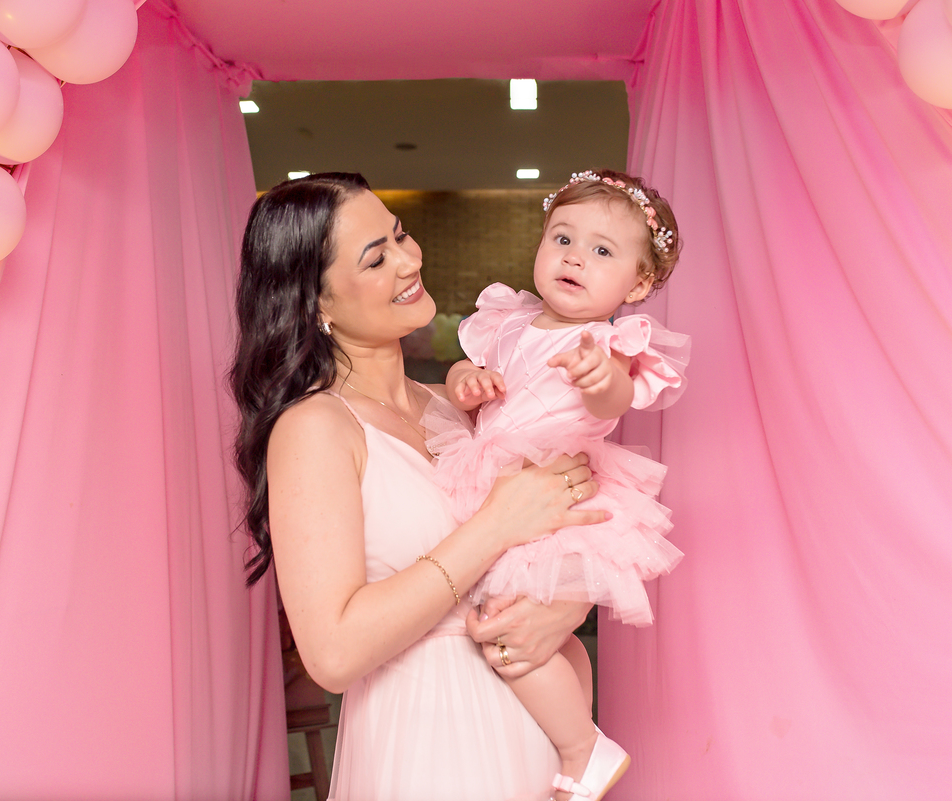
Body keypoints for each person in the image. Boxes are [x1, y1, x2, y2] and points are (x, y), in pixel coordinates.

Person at [229, 172, 608, 801]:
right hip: (428, 746)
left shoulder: (463, 407)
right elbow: (332, 653)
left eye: (400, 235)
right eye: (376, 258)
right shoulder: (316, 426)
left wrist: (565, 607)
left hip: (532, 734)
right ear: (316, 304)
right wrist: (494, 526)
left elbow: (573, 530)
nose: (409, 261)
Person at [427, 169, 690, 801]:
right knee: (547, 635)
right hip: (495, 485)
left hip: (556, 496)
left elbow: (612, 400)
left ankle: (582, 750)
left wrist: (600, 376)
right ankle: (568, 745)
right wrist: (466, 381)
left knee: (503, 628)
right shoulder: (507, 322)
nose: (574, 257)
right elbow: (470, 371)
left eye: (602, 251)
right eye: (562, 239)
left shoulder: (607, 342)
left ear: (638, 283)